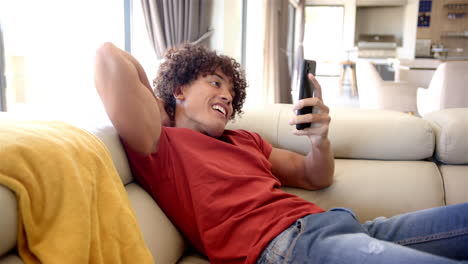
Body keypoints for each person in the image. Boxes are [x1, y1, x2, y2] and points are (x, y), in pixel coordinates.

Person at [94, 42, 468, 264]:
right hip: (288, 246)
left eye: (230, 91)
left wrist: (320, 139)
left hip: (344, 226)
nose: (226, 95)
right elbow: (108, 56)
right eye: (213, 82)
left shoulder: (246, 140)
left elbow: (313, 176)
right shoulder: (159, 144)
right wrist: (163, 108)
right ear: (177, 91)